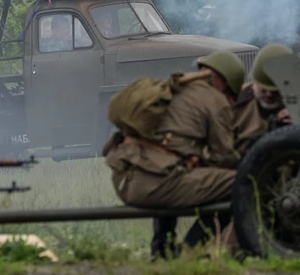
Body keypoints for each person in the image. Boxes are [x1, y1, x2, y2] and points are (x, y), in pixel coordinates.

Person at [102, 51, 266, 260]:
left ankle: (161, 250)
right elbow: (224, 157)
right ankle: (191, 251)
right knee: (242, 183)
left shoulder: (169, 90)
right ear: (224, 83)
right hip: (154, 185)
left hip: (124, 180)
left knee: (177, 173)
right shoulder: (215, 99)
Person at [234, 43, 294, 131]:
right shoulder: (238, 104)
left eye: (275, 92)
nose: (269, 94)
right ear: (255, 83)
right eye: (263, 90)